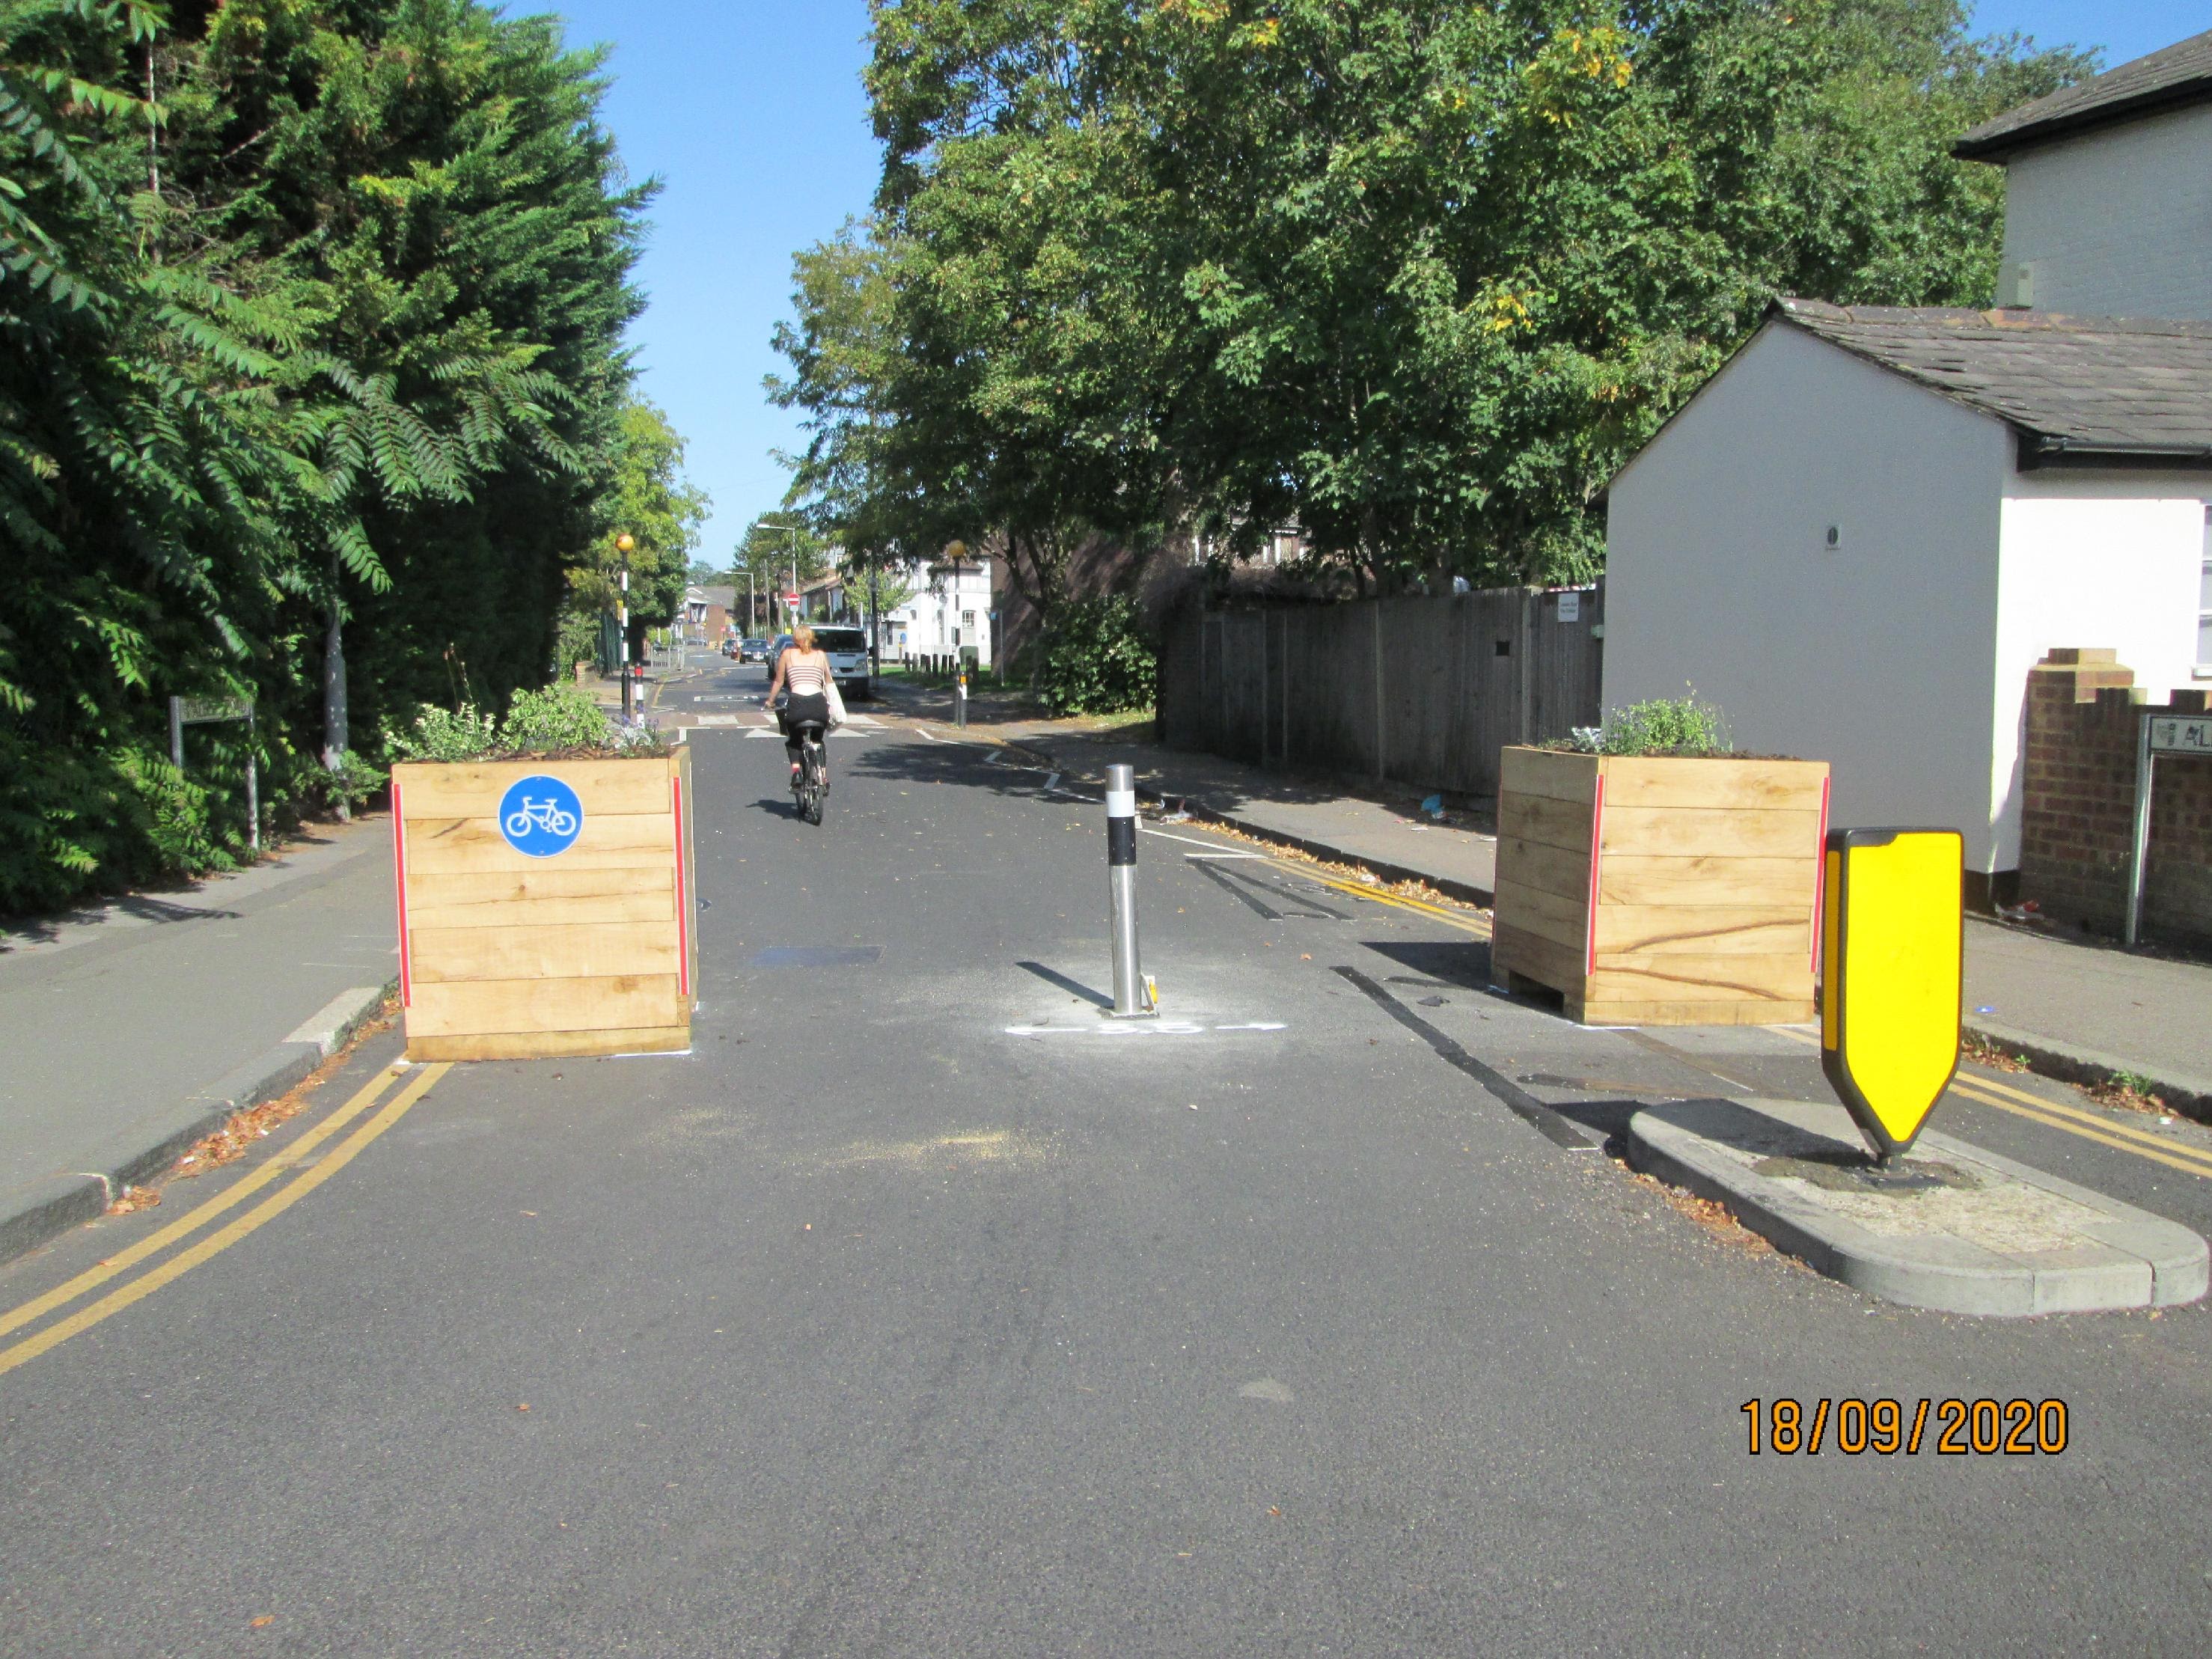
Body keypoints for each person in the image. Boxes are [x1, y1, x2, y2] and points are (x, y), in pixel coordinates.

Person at [764, 623, 834, 786]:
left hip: (797, 706)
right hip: (818, 706)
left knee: (794, 741)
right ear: (811, 638)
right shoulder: (821, 655)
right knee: (818, 740)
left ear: (795, 639)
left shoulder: (787, 654)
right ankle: (822, 776)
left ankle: (796, 774)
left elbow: (779, 681)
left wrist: (770, 701)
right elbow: (828, 681)